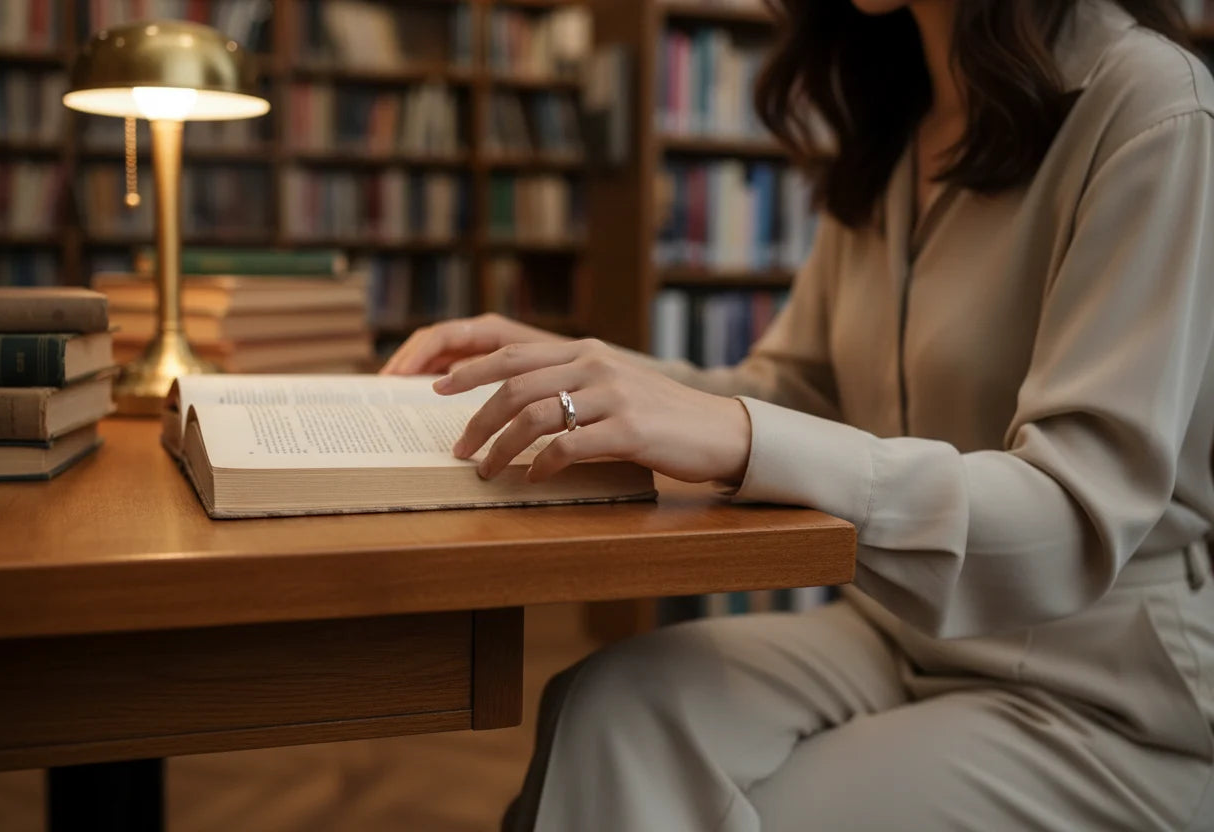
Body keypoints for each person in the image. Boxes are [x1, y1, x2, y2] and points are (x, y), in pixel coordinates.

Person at [383, 0, 1214, 827]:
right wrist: (574, 371)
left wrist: (739, 434)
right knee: (608, 711)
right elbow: (797, 392)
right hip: (898, 632)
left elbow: (1071, 518)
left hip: (1099, 686)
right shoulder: (902, 119)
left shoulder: (1150, 106)